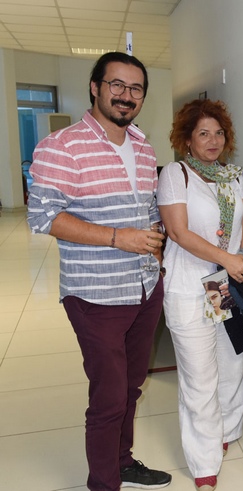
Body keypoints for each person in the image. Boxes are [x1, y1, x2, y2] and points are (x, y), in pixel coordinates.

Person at [26, 52, 171, 490]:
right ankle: (103, 483)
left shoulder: (143, 146)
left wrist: (156, 246)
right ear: (95, 87)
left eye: (136, 88)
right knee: (109, 397)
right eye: (117, 85)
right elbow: (43, 217)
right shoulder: (62, 146)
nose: (126, 95)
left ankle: (122, 462)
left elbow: (147, 208)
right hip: (96, 294)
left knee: (130, 388)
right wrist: (116, 237)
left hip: (144, 288)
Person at [157, 98, 243, 491]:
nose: (213, 141)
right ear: (187, 139)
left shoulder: (234, 176)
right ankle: (204, 463)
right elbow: (179, 232)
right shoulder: (176, 175)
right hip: (188, 287)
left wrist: (242, 259)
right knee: (199, 378)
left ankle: (226, 431)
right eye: (203, 133)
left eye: (218, 133)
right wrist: (228, 260)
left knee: (231, 363)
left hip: (222, 286)